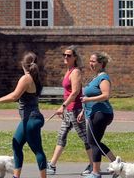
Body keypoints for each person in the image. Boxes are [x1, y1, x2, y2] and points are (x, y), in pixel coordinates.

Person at [0, 52, 48, 178]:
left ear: (23, 64)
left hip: (31, 119)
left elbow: (14, 96)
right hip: (30, 119)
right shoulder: (34, 77)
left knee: (37, 149)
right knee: (16, 144)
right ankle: (16, 176)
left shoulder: (26, 78)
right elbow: (16, 93)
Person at [46, 47, 92, 176]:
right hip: (69, 111)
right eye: (64, 55)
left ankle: (93, 164)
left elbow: (76, 92)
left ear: (75, 57)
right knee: (61, 135)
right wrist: (65, 109)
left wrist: (63, 106)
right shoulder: (68, 71)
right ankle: (52, 165)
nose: (65, 57)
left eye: (68, 55)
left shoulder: (76, 72)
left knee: (85, 138)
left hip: (75, 109)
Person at [78, 52, 115, 178]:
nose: (91, 63)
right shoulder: (95, 77)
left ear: (101, 63)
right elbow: (89, 95)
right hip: (92, 113)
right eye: (90, 61)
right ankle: (117, 164)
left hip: (102, 113)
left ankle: (96, 172)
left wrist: (88, 100)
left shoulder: (103, 78)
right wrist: (83, 111)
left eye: (93, 61)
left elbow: (106, 95)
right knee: (95, 142)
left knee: (93, 142)